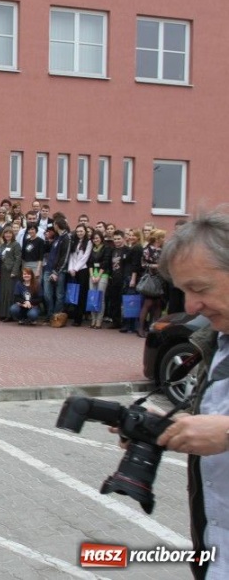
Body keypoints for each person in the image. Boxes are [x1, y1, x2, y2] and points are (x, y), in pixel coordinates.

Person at [152, 208, 229, 580]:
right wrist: (175, 427)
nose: (189, 307)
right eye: (183, 291)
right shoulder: (218, 342)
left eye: (199, 288)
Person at [137, 228, 166, 338]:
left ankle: (154, 329)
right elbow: (143, 264)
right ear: (157, 239)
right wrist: (155, 266)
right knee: (147, 303)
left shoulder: (163, 249)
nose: (164, 239)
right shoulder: (147, 249)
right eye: (162, 237)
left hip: (161, 279)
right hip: (151, 279)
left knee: (158, 304)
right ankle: (140, 328)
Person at [0, 226, 22, 321]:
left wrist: (14, 271)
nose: (8, 235)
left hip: (11, 272)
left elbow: (18, 259)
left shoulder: (16, 245)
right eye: (6, 233)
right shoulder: (2, 245)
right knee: (3, 292)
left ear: (13, 235)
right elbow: (0, 260)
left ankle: (10, 315)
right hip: (3, 271)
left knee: (10, 292)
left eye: (10, 233)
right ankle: (3, 313)